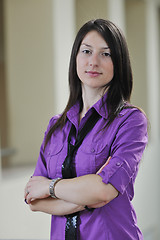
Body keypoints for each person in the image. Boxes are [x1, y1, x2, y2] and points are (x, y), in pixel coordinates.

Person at [24, 19, 148, 240]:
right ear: (75, 58)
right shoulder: (56, 126)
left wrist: (50, 187)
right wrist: (85, 196)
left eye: (105, 54)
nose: (93, 62)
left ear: (118, 63)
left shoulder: (130, 121)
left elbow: (103, 191)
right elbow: (34, 198)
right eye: (86, 51)